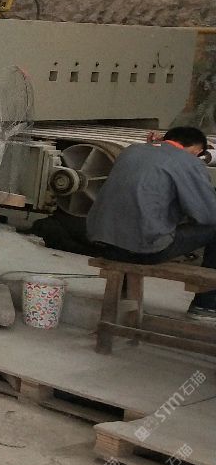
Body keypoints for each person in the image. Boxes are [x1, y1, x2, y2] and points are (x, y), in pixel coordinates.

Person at [87, 126, 216, 321]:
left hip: (101, 242)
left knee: (135, 221)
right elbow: (208, 215)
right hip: (143, 251)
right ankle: (205, 305)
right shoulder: (189, 162)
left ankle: (126, 293)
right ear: (196, 149)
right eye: (198, 154)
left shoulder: (131, 151)